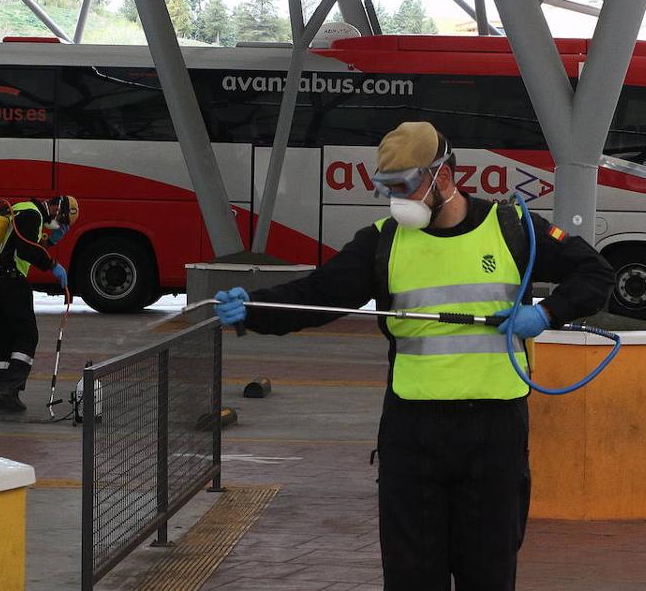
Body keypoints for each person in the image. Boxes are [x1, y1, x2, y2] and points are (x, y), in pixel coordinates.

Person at [215, 122, 612, 590]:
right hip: (413, 433)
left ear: (443, 177)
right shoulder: (381, 242)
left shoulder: (512, 229)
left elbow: (595, 272)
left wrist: (547, 314)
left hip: (494, 434)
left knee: (488, 574)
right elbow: (318, 294)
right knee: (410, 577)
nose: (395, 200)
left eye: (404, 186)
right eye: (386, 188)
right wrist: (254, 309)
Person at [0, 195, 79, 413]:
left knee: (3, 338)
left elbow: (23, 242)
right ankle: (7, 391)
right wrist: (52, 265)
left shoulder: (23, 209)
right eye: (61, 220)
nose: (59, 224)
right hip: (10, 279)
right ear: (56, 208)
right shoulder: (32, 214)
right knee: (27, 336)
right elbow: (25, 249)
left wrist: (51, 242)